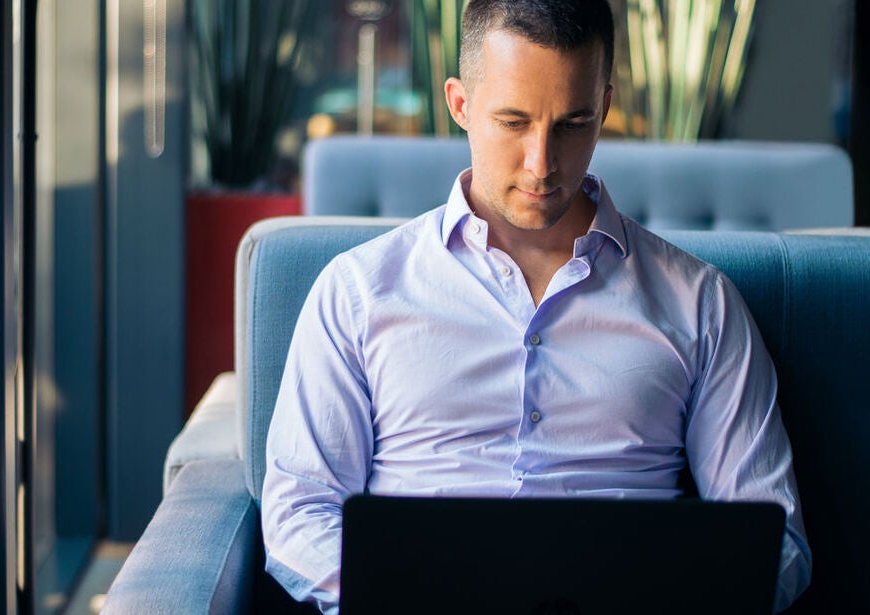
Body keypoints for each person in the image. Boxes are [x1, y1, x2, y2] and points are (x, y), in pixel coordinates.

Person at [260, 1, 812, 613]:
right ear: (461, 104)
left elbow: (776, 539)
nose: (542, 165)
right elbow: (300, 510)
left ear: (603, 109)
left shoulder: (701, 305)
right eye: (514, 121)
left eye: (572, 124)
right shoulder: (357, 292)